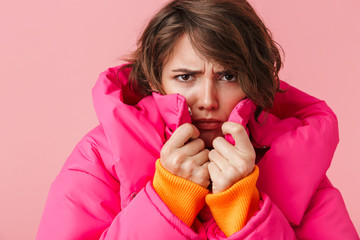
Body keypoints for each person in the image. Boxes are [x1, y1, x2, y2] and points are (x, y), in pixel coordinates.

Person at [36, 0, 359, 239]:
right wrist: (168, 200)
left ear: (254, 80)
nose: (207, 100)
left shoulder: (295, 156)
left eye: (228, 75)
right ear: (154, 80)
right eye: (186, 76)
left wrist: (243, 209)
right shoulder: (100, 157)